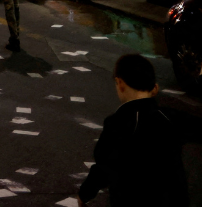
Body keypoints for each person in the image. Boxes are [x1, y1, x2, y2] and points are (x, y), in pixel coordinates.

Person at [78, 54, 188, 207]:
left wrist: (84, 194)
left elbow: (104, 167)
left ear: (120, 83)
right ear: (155, 88)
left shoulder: (116, 123)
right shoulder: (171, 117)